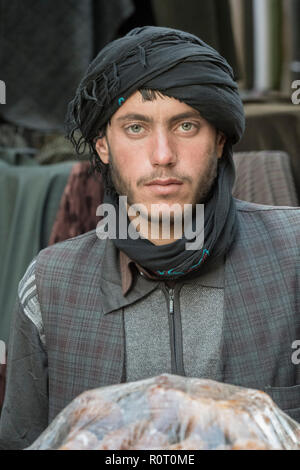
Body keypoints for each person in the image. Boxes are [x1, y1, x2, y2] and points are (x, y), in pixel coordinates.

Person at [0, 26, 299, 450]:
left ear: (219, 139)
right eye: (136, 128)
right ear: (102, 145)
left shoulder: (294, 258)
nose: (163, 155)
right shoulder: (50, 286)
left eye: (186, 125)